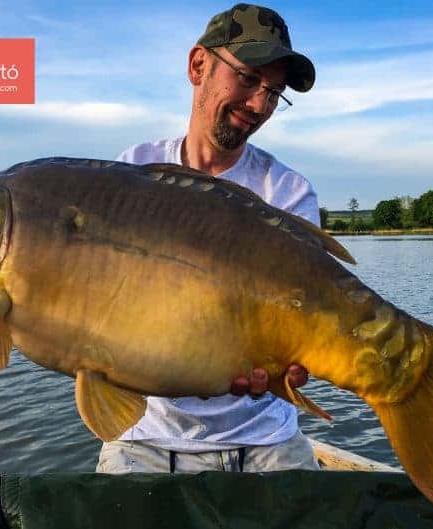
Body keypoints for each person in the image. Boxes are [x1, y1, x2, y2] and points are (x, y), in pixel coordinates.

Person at [97, 3, 320, 474]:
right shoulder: (132, 172)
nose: (259, 105)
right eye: (247, 78)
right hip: (144, 440)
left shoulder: (288, 192)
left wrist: (296, 364)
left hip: (267, 441)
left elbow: (303, 322)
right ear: (199, 65)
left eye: (273, 92)